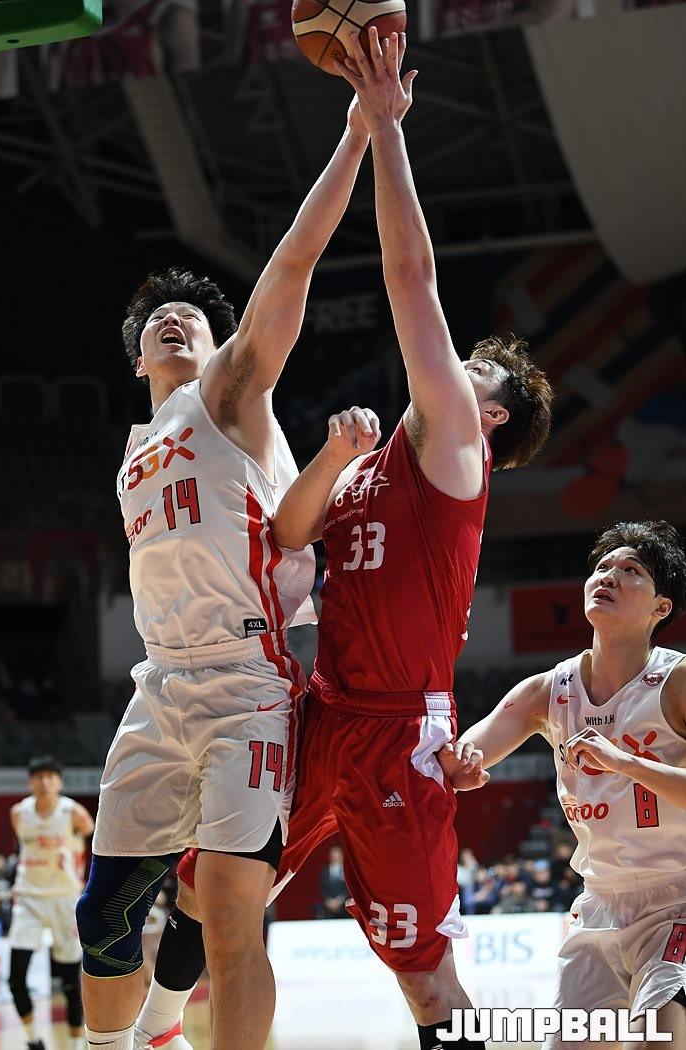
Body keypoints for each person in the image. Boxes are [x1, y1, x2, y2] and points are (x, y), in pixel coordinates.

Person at [169, 29, 553, 1050]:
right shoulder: (373, 460)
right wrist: (330, 461)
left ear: (493, 415)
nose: (453, 371)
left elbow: (410, 277)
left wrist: (385, 129)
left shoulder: (457, 449)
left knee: (424, 979)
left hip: (398, 734)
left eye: (474, 372)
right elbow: (290, 532)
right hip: (324, 710)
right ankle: (156, 1032)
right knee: (207, 891)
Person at [76, 90, 375, 1050]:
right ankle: (133, 1037)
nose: (174, 320)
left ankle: (172, 1025)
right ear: (137, 362)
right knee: (105, 917)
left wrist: (356, 135)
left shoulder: (229, 396)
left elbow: (292, 263)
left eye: (192, 318)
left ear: (220, 347)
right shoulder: (134, 448)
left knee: (229, 913)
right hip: (158, 684)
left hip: (248, 682)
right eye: (157, 321)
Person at [441, 519, 686, 1048]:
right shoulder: (548, 690)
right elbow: (466, 755)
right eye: (602, 567)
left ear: (660, 608)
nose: (609, 576)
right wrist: (463, 762)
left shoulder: (677, 682)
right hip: (599, 902)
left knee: (659, 1039)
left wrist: (627, 764)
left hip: (678, 901)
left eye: (631, 571)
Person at [9, 756, 94, 1050]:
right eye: (39, 777)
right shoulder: (19, 813)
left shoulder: (75, 813)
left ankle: (74, 1046)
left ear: (59, 781)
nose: (45, 782)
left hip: (65, 900)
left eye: (50, 776)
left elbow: (92, 840)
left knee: (72, 982)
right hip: (29, 899)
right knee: (16, 977)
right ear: (30, 781)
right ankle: (33, 1040)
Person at [318, 844, 349, 919]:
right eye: (333, 856)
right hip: (328, 907)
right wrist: (329, 900)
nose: (335, 858)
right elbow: (323, 888)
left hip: (344, 907)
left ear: (341, 856)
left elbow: (349, 889)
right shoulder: (325, 871)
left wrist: (339, 900)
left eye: (337, 856)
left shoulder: (347, 871)